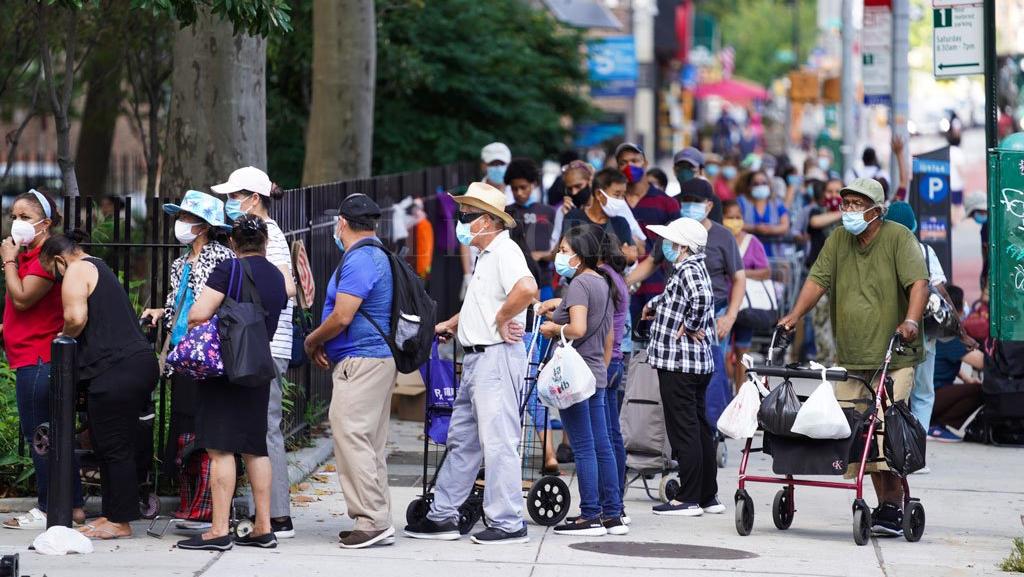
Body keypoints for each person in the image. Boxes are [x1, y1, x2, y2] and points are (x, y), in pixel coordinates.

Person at [778, 177, 929, 537]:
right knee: (855, 437)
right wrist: (795, 315)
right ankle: (886, 505)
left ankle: (892, 508)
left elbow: (918, 284)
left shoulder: (898, 238)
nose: (848, 210)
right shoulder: (838, 241)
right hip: (852, 356)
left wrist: (910, 319)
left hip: (895, 356)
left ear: (876, 211)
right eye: (845, 204)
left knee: (883, 434)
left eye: (856, 204)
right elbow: (817, 280)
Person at [404, 182, 537, 545]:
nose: (462, 222)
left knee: (497, 442)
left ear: (490, 221)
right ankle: (443, 515)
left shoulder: (505, 252)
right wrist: (450, 324)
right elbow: (480, 304)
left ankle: (508, 522)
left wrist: (501, 316)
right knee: (463, 440)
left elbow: (527, 290)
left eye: (468, 215)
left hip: (495, 357)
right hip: (480, 359)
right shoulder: (487, 256)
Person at [176, 216, 287, 551]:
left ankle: (219, 530)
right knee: (255, 446)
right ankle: (264, 527)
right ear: (265, 241)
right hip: (258, 365)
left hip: (226, 368)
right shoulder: (276, 276)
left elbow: (198, 313)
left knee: (220, 447)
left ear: (233, 242)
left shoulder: (229, 269)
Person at [39, 231, 158, 540]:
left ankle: (120, 522)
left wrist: (60, 341)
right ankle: (113, 514)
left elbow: (76, 317)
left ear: (59, 260)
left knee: (112, 445)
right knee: (110, 444)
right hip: (135, 364)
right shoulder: (99, 265)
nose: (56, 282)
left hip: (115, 369)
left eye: (54, 274)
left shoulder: (76, 268)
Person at [302, 194, 398, 549]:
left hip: (362, 360)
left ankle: (371, 519)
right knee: (368, 441)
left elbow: (343, 315)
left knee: (350, 434)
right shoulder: (377, 254)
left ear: (341, 222)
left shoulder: (360, 260)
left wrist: (312, 340)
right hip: (375, 359)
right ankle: (378, 517)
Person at [211, 166, 297, 538]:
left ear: (254, 198)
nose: (230, 203)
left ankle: (277, 516)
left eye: (235, 195)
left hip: (265, 343)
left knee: (265, 431)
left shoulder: (270, 236)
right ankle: (269, 514)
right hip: (260, 341)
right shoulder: (264, 235)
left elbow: (285, 286)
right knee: (258, 430)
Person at [141, 190, 234, 525]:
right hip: (182, 353)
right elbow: (178, 305)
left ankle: (206, 504)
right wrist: (159, 311)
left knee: (203, 428)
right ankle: (189, 498)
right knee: (183, 425)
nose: (181, 224)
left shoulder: (221, 257)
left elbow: (212, 306)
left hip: (207, 354)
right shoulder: (181, 262)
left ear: (205, 226)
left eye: (187, 218)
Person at [628, 178, 745, 429]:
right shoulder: (673, 231)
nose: (689, 206)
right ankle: (688, 431)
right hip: (676, 312)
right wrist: (621, 282)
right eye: (686, 201)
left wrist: (730, 316)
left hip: (714, 313)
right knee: (681, 376)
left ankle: (712, 430)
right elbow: (651, 262)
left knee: (711, 375)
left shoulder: (723, 236)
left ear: (709, 205)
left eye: (695, 202)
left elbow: (738, 277)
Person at [1, 188, 85, 530]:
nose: (16, 223)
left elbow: (22, 298)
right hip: (26, 356)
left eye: (25, 217)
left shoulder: (46, 259)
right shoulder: (27, 256)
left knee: (42, 437)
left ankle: (51, 506)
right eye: (14, 217)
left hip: (39, 360)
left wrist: (7, 259)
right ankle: (73, 506)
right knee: (50, 435)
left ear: (45, 224)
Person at [537, 225, 624, 536]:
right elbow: (603, 330)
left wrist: (551, 330)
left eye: (564, 250)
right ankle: (612, 512)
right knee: (602, 445)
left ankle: (589, 515)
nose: (560, 255)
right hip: (596, 373)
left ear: (578, 254)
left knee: (584, 446)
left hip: (576, 376)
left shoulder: (578, 285)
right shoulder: (603, 282)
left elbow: (576, 328)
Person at [642, 217, 723, 517]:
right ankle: (706, 495)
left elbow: (701, 298)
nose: (666, 246)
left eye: (670, 242)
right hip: (693, 363)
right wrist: (654, 305)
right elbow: (682, 296)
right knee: (699, 428)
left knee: (685, 429)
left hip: (679, 362)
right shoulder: (692, 268)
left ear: (682, 246)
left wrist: (690, 325)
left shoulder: (688, 268)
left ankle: (688, 497)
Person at [886, 201, 954, 452]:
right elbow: (941, 293)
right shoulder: (925, 251)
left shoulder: (881, 252)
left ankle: (891, 448)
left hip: (889, 333)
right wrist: (958, 326)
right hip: (923, 333)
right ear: (913, 226)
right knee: (923, 392)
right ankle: (916, 452)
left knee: (892, 389)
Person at [618, 142, 681, 326]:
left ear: (645, 163)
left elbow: (675, 249)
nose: (629, 166)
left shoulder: (666, 203)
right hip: (622, 288)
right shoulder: (613, 202)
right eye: (623, 162)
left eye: (634, 160)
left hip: (657, 286)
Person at [721, 200, 771, 384]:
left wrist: (740, 273)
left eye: (738, 217)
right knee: (723, 352)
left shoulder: (753, 242)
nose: (734, 221)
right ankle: (726, 391)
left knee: (742, 351)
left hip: (745, 307)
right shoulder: (719, 239)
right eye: (729, 217)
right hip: (722, 305)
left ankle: (740, 394)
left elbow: (766, 271)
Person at [929, 285, 985, 442]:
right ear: (957, 309)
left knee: (970, 386)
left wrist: (966, 378)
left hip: (922, 397)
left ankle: (931, 424)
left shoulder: (936, 328)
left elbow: (943, 359)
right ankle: (937, 426)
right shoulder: (950, 336)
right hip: (931, 397)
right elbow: (982, 362)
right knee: (981, 391)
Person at [505, 158, 556, 301]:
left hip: (544, 279)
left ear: (533, 184)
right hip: (514, 281)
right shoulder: (506, 212)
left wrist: (540, 255)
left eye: (523, 187)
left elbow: (560, 250)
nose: (519, 192)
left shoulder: (549, 212)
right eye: (514, 188)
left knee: (544, 321)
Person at [562, 168, 638, 263]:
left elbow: (629, 258)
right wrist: (616, 254)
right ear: (598, 194)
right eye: (617, 195)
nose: (621, 201)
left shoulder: (621, 223)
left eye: (623, 195)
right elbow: (565, 256)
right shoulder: (574, 218)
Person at [737, 170, 790, 257]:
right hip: (747, 253)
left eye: (764, 183)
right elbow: (735, 223)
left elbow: (785, 226)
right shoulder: (741, 202)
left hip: (774, 254)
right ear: (749, 187)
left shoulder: (777, 203)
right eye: (756, 184)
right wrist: (754, 228)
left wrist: (770, 229)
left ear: (769, 185)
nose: (760, 186)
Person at [550, 160, 596, 252]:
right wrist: (567, 220)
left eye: (578, 186)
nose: (574, 192)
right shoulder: (563, 211)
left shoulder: (604, 206)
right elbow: (555, 251)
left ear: (590, 180)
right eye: (570, 189)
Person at [674, 147, 722, 223]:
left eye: (690, 167)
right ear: (674, 170)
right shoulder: (672, 201)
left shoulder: (713, 200)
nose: (685, 171)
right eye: (681, 167)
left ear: (701, 170)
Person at [964, 191, 989, 288]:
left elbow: (991, 262)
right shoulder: (986, 227)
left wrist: (987, 292)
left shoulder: (989, 229)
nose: (973, 218)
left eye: (972, 215)